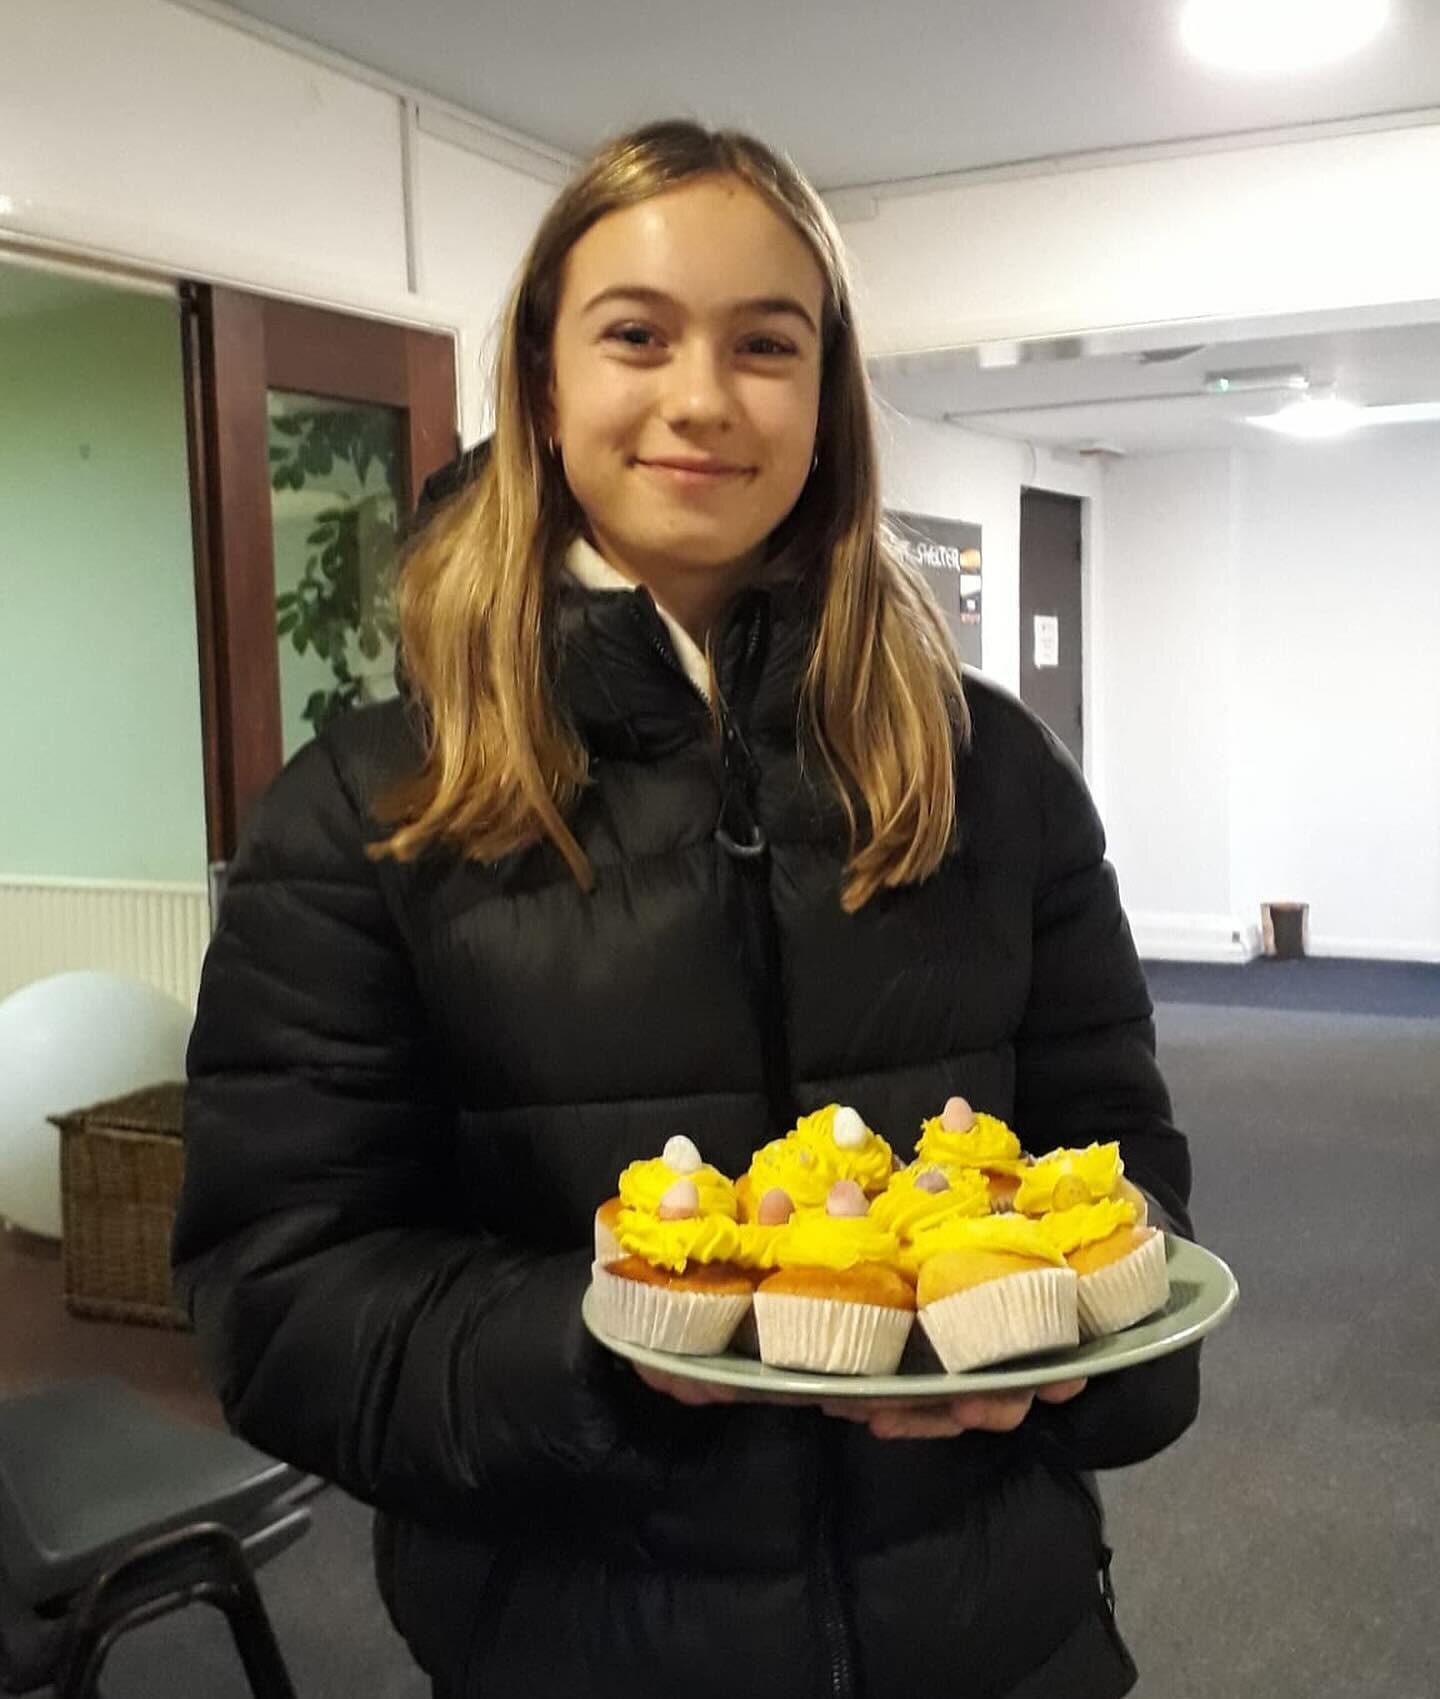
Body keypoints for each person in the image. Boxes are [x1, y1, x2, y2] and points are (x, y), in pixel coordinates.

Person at [173, 119, 1200, 1699]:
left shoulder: (991, 776)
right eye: (637, 336)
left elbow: (1128, 1185)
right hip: (581, 1646)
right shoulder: (371, 812)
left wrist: (1065, 1366)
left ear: (827, 397)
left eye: (765, 345)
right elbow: (284, 1300)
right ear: (539, 383)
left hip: (1000, 1638)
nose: (703, 398)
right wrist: (628, 1352)